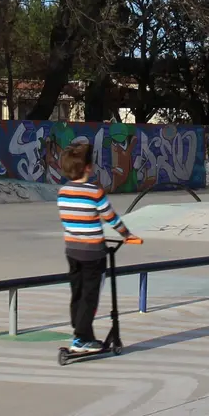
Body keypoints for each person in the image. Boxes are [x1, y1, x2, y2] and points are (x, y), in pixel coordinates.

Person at [57, 142, 141, 352]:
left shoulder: (63, 192)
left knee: (77, 292)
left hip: (72, 251)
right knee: (90, 295)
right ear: (88, 167)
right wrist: (127, 235)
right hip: (93, 253)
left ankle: (81, 332)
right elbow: (111, 218)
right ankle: (81, 338)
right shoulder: (94, 192)